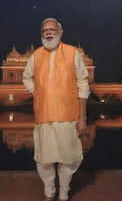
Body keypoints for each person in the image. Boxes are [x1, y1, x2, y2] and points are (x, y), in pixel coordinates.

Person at [23, 18, 90, 201]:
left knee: (68, 159)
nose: (48, 32)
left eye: (52, 29)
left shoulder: (72, 52)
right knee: (45, 160)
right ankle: (49, 192)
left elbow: (83, 83)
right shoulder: (36, 55)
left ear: (61, 32)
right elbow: (26, 78)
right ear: (41, 34)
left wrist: (82, 117)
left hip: (69, 116)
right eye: (45, 30)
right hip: (44, 117)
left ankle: (64, 193)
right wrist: (38, 91)